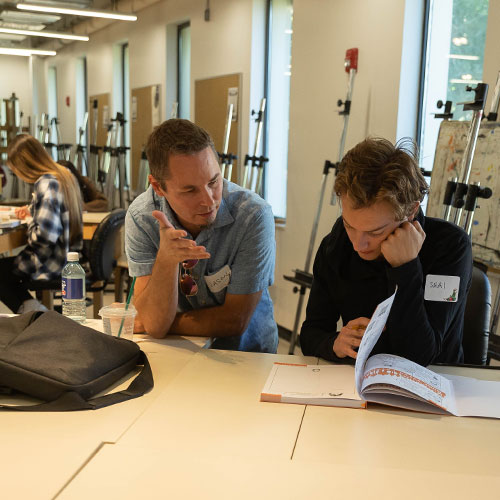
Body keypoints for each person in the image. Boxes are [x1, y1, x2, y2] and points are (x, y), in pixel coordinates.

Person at [300, 137, 472, 366]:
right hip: (360, 383)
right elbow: (311, 333)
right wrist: (334, 343)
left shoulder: (450, 246)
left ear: (410, 211)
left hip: (438, 382)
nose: (359, 244)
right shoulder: (335, 246)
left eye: (375, 232)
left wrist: (406, 267)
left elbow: (421, 356)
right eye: (350, 225)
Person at [125, 119, 278, 352]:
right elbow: (155, 326)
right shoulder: (143, 217)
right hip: (182, 353)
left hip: (247, 356)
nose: (209, 201)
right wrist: (166, 260)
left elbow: (234, 320)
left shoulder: (253, 215)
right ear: (158, 187)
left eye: (214, 181)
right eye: (189, 190)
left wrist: (163, 323)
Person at [0, 134, 83, 313]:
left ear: (25, 165)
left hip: (50, 261)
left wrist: (30, 220)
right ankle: (35, 312)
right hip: (67, 255)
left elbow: (43, 237)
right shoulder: (64, 175)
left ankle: (37, 316)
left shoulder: (46, 184)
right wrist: (33, 210)